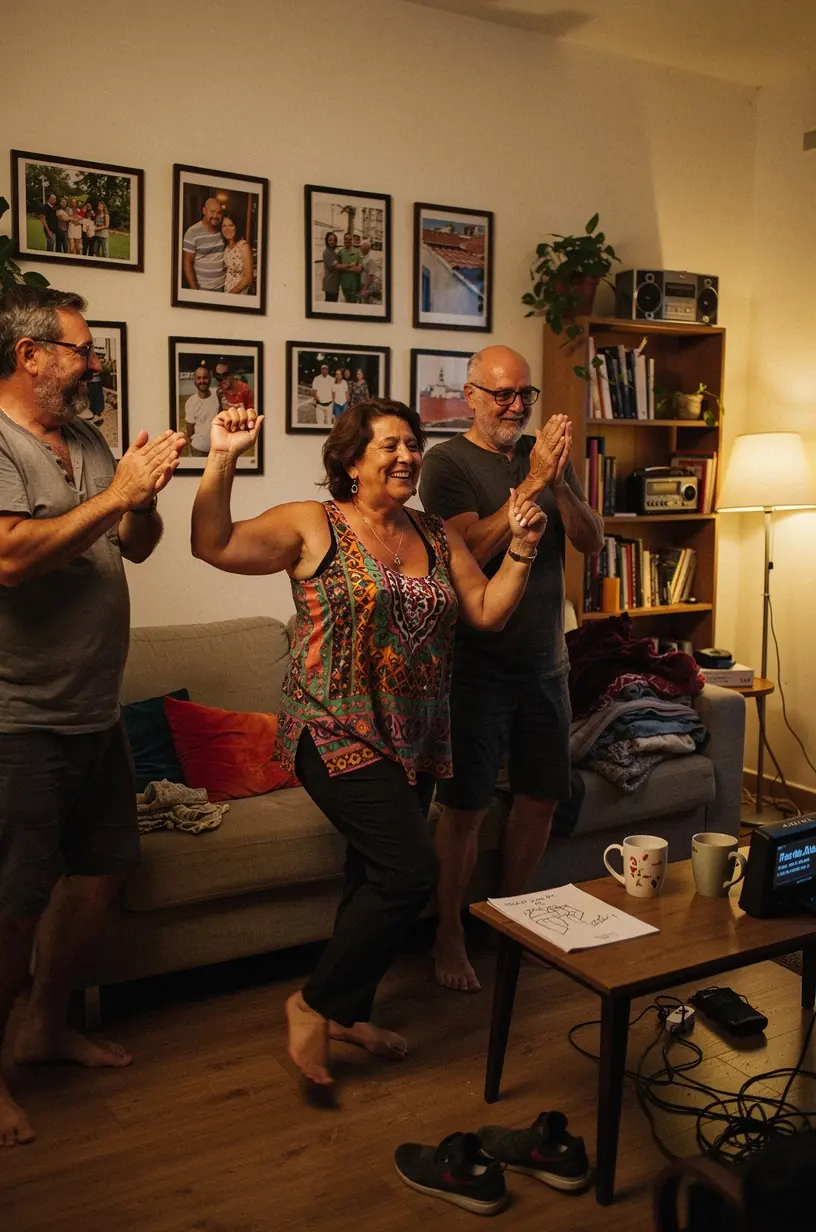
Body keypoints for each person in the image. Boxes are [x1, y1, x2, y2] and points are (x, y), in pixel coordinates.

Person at [190, 397, 546, 1086]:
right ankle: (312, 1002)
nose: (407, 455)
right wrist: (223, 461)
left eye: (412, 443)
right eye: (388, 445)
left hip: (415, 738)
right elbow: (215, 544)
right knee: (411, 869)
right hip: (331, 726)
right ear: (351, 461)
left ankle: (348, 1014)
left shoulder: (437, 536)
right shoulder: (310, 523)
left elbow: (486, 612)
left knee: (372, 872)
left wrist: (524, 550)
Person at [0, 285, 186, 1147]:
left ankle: (44, 1024)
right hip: (18, 717)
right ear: (29, 353)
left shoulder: (83, 437)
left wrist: (141, 499)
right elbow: (9, 557)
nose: (91, 363)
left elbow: (133, 545)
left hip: (92, 706)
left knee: (102, 868)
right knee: (11, 903)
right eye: (77, 348)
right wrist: (117, 496)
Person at [420, 344, 604, 992]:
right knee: (465, 808)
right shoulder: (446, 466)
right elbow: (463, 550)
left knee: (541, 798)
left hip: (545, 664)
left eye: (523, 394)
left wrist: (557, 482)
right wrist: (528, 485)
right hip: (476, 668)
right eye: (502, 394)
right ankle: (448, 932)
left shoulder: (545, 460)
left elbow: (590, 539)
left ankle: (509, 919)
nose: (516, 405)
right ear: (469, 395)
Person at [182, 197, 225, 292]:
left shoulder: (223, 230)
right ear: (204, 211)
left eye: (219, 213)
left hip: (223, 287)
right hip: (203, 289)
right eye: (212, 211)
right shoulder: (192, 232)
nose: (215, 215)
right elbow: (187, 264)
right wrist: (195, 291)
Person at [184, 365, 221, 456]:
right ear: (195, 380)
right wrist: (190, 451)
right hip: (198, 450)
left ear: (210, 378)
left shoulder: (217, 394)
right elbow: (189, 429)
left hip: (217, 449)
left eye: (205, 378)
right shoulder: (191, 402)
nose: (202, 381)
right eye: (199, 378)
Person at [221, 213, 253, 295]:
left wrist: (231, 293)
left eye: (231, 225)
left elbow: (248, 279)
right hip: (227, 290)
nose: (227, 229)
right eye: (224, 226)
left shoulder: (244, 246)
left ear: (237, 227)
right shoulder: (227, 247)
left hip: (238, 293)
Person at [336, 232, 362, 304]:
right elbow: (338, 267)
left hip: (354, 283)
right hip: (344, 282)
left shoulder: (357, 252)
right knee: (347, 301)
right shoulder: (340, 252)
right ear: (344, 240)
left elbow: (359, 269)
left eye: (350, 239)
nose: (348, 241)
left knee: (353, 302)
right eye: (346, 239)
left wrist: (347, 268)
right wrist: (351, 267)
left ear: (352, 240)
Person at [311, 362, 334, 426]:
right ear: (321, 370)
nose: (324, 370)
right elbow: (314, 390)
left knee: (328, 423)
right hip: (319, 405)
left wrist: (333, 401)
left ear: (328, 370)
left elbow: (333, 391)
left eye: (326, 369)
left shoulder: (332, 379)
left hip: (329, 405)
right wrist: (315, 397)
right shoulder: (316, 378)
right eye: (323, 369)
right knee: (319, 423)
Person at [359, 238, 380, 304]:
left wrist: (364, 289)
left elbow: (370, 276)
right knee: (363, 300)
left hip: (369, 286)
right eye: (361, 248)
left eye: (363, 248)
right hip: (364, 283)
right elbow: (363, 269)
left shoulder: (371, 259)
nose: (361, 249)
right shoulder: (365, 257)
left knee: (365, 300)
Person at [322, 231, 340, 303]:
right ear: (326, 241)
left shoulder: (333, 251)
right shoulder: (327, 252)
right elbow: (337, 266)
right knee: (330, 302)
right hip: (330, 283)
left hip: (335, 283)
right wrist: (349, 266)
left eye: (334, 240)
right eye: (330, 240)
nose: (332, 242)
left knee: (333, 301)